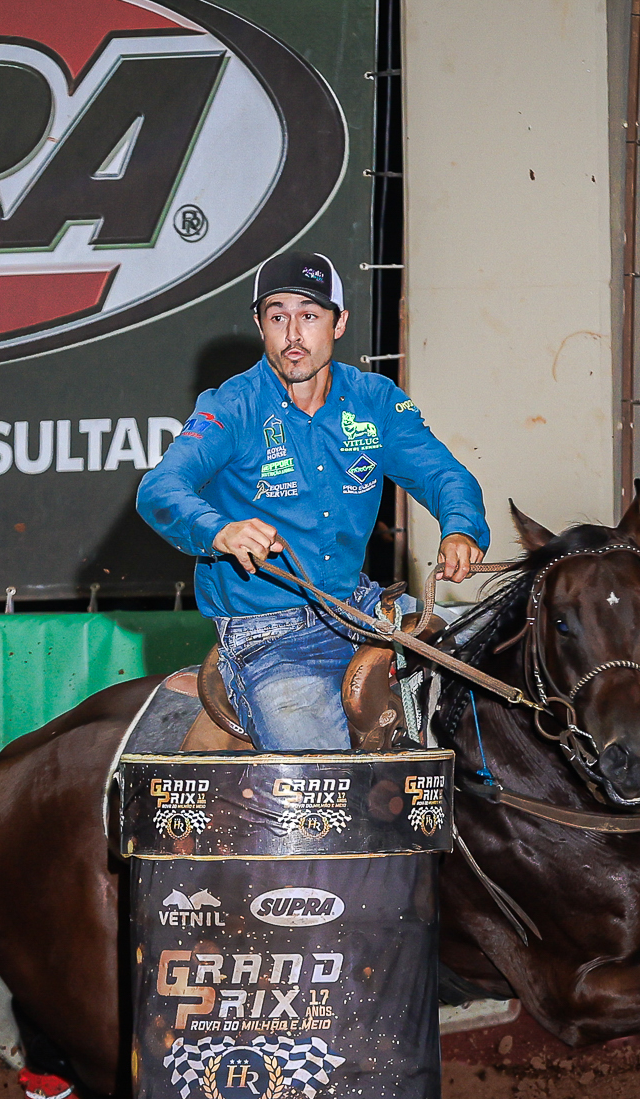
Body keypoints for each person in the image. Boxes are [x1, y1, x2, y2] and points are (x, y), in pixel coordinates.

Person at [137, 252, 490, 750]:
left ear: (339, 322)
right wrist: (220, 530)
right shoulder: (231, 406)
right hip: (267, 637)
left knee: (492, 650)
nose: (293, 334)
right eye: (277, 316)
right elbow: (159, 490)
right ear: (260, 325)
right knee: (322, 776)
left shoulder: (376, 399)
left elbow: (443, 474)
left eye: (309, 315)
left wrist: (461, 527)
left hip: (362, 609)